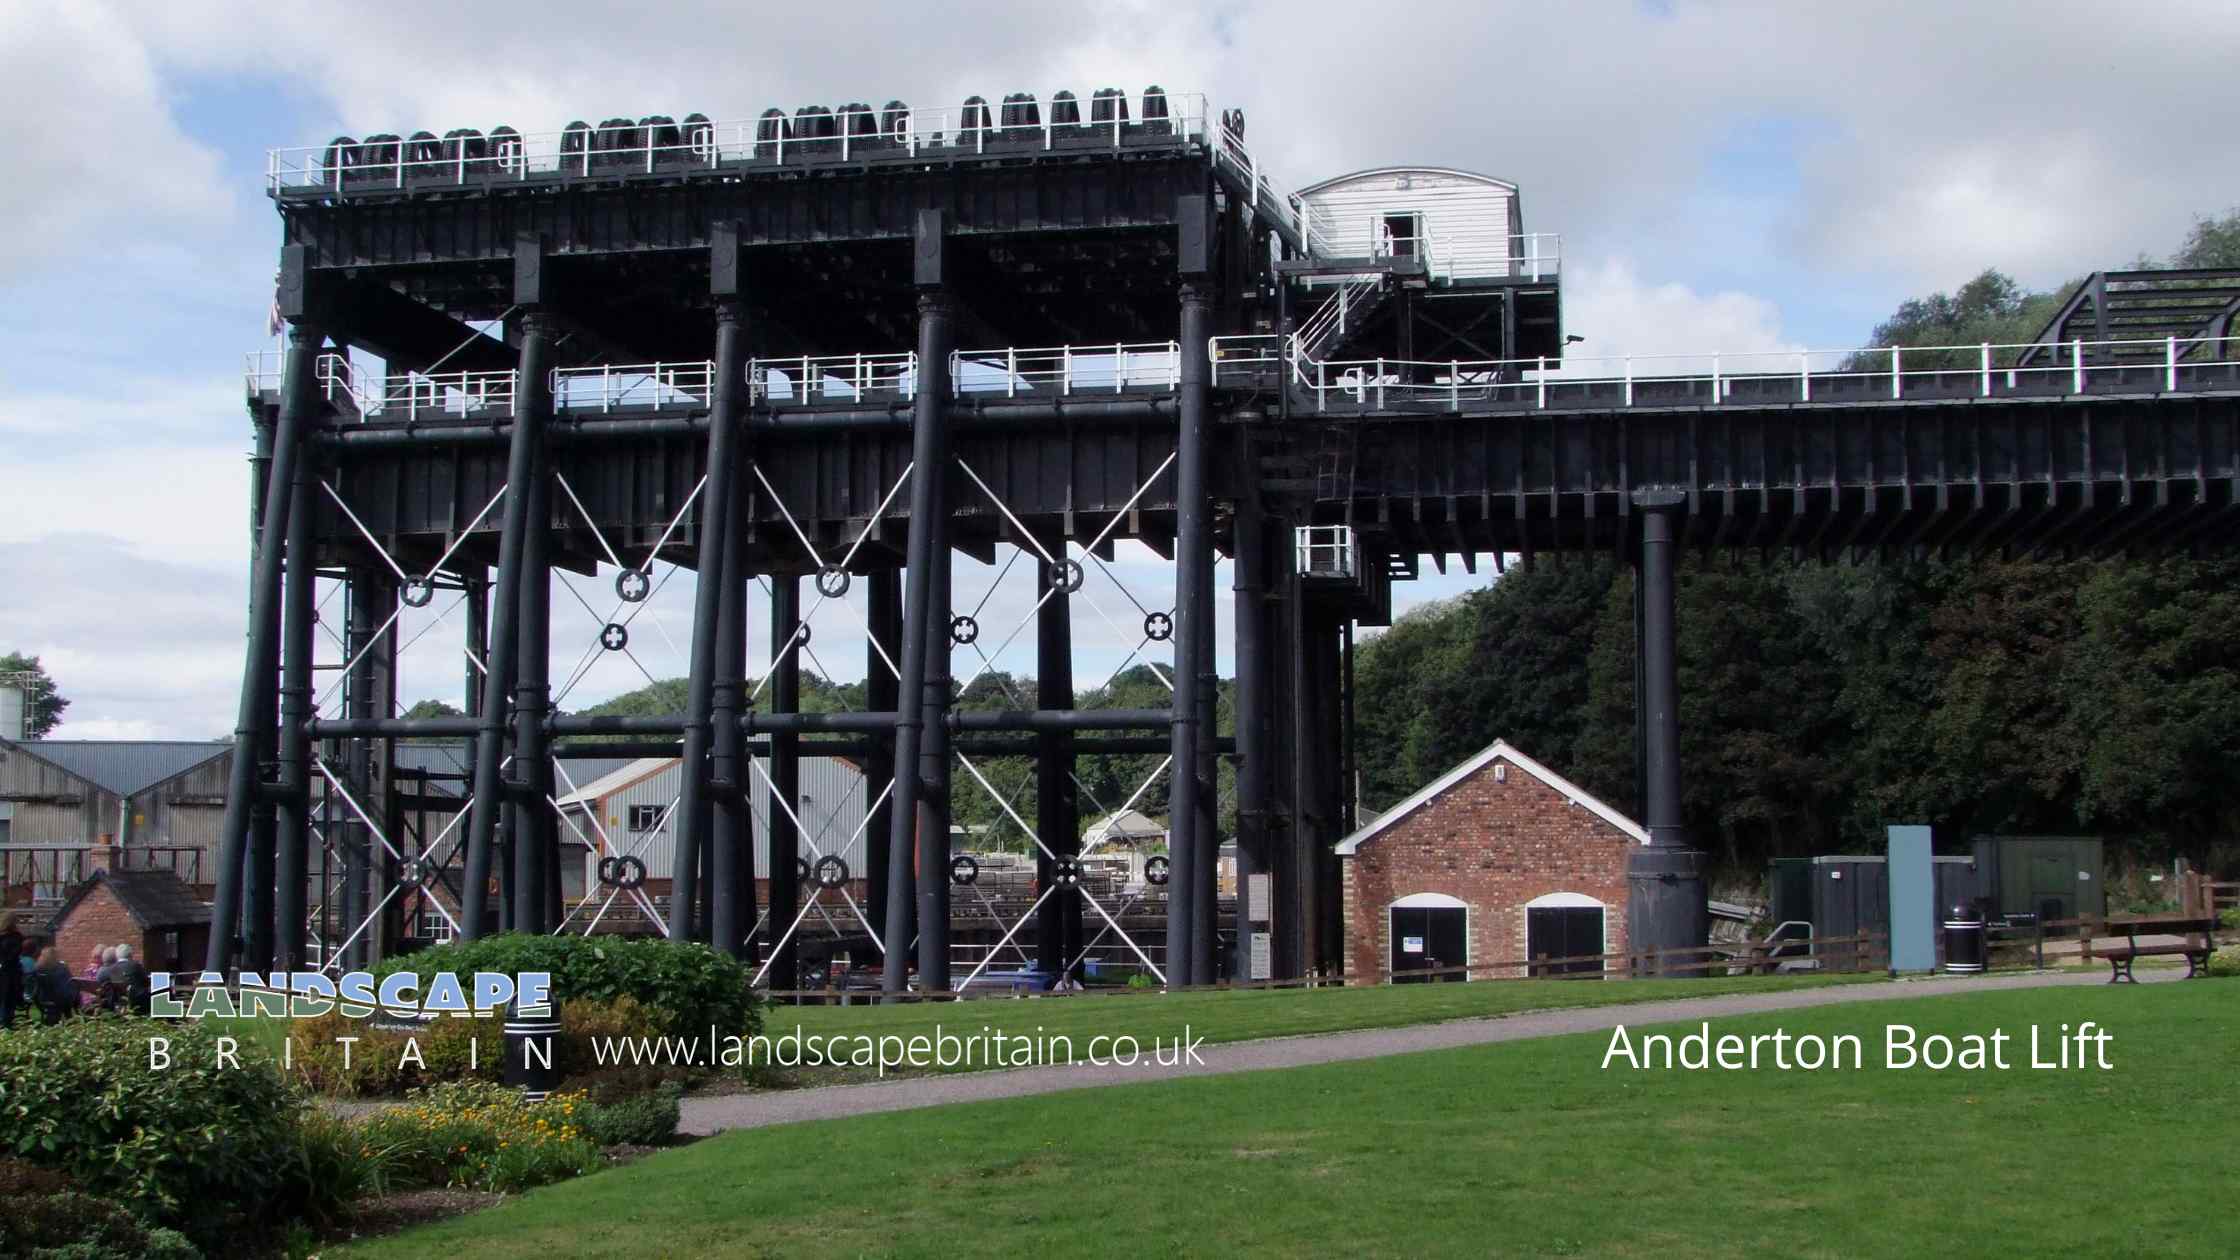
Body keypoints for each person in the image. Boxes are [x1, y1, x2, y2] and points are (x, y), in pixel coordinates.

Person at [99, 943, 151, 1014]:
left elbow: (118, 986)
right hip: (138, 1002)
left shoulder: (114, 968)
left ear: (117, 956)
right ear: (130, 955)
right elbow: (146, 983)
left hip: (121, 1003)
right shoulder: (136, 965)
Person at [29, 948, 76, 1025]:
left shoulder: (38, 968)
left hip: (42, 998)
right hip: (59, 998)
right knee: (72, 993)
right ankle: (69, 1017)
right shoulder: (61, 968)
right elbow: (70, 981)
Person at [0, 912, 24, 1029]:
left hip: (4, 969)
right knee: (9, 996)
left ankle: (5, 1020)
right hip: (11, 971)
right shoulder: (16, 937)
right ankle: (6, 1021)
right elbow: (14, 955)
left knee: (5, 996)